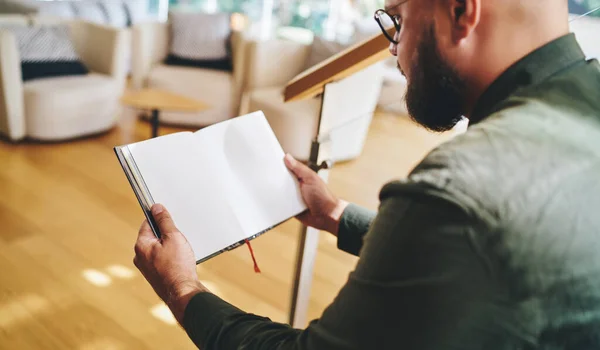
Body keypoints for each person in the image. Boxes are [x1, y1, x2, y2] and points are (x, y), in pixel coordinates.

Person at [132, 0, 600, 348]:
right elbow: (480, 258)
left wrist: (182, 288)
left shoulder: (462, 189)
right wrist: (337, 214)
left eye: (398, 21)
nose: (395, 52)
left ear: (461, 11)